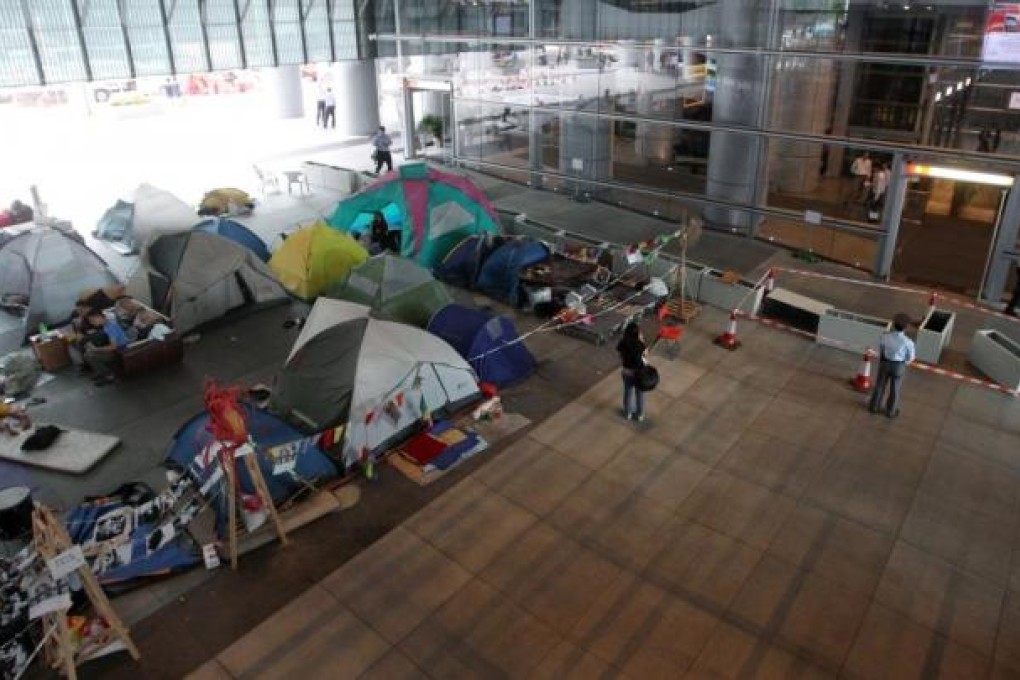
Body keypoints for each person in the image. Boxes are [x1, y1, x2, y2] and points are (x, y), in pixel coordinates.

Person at [869, 313, 916, 418]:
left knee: (879, 386)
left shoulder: (885, 336)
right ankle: (890, 411)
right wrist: (904, 362)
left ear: (894, 325)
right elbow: (911, 358)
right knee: (895, 389)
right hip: (898, 366)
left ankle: (874, 406)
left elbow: (879, 349)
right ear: (906, 327)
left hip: (885, 363)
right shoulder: (908, 342)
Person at [616, 322, 648, 422]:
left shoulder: (623, 342)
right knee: (640, 394)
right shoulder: (640, 344)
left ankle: (628, 413)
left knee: (628, 392)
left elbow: (620, 354)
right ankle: (640, 414)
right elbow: (646, 354)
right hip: (640, 373)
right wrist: (641, 340)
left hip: (627, 371)